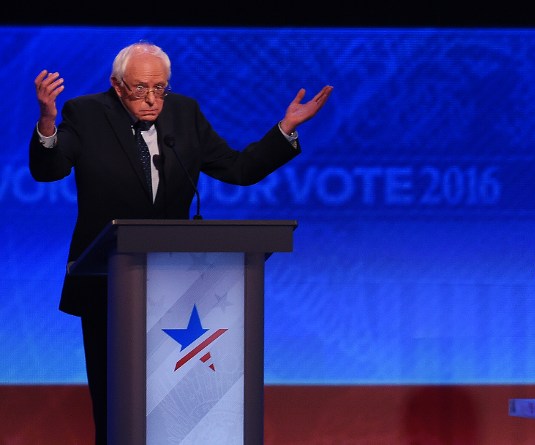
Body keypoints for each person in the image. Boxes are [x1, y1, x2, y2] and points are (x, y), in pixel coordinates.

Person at [29, 41, 333, 444]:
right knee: (114, 406)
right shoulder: (85, 113)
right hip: (108, 285)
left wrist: (285, 130)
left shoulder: (184, 114)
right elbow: (49, 169)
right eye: (141, 89)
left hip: (180, 287)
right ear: (117, 85)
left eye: (160, 88)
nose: (153, 99)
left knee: (175, 409)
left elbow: (238, 169)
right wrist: (48, 122)